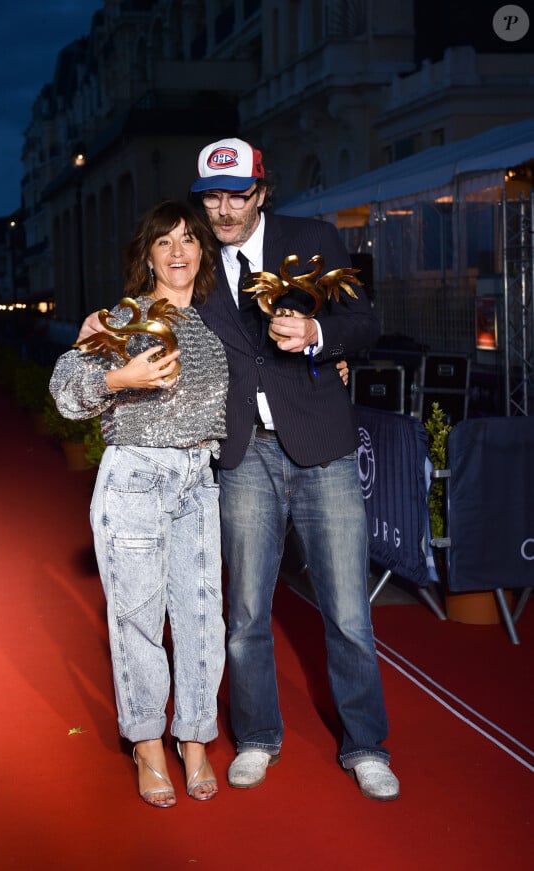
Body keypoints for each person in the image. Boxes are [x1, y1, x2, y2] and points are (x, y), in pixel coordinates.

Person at [187, 138, 400, 801]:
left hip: (323, 447)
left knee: (347, 611)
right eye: (212, 196)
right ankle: (256, 736)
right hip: (245, 453)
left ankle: (366, 744)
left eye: (237, 195)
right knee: (246, 612)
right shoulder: (190, 258)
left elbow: (365, 321)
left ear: (262, 190)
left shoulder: (312, 240)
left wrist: (317, 337)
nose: (224, 210)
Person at [50, 201, 229, 808]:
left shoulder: (210, 325)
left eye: (188, 240)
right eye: (164, 243)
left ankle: (196, 738)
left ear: (204, 251)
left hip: (199, 481)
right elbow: (66, 392)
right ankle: (148, 742)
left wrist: (326, 361)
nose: (178, 252)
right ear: (147, 256)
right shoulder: (125, 316)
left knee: (204, 621)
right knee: (138, 621)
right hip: (135, 480)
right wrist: (115, 381)